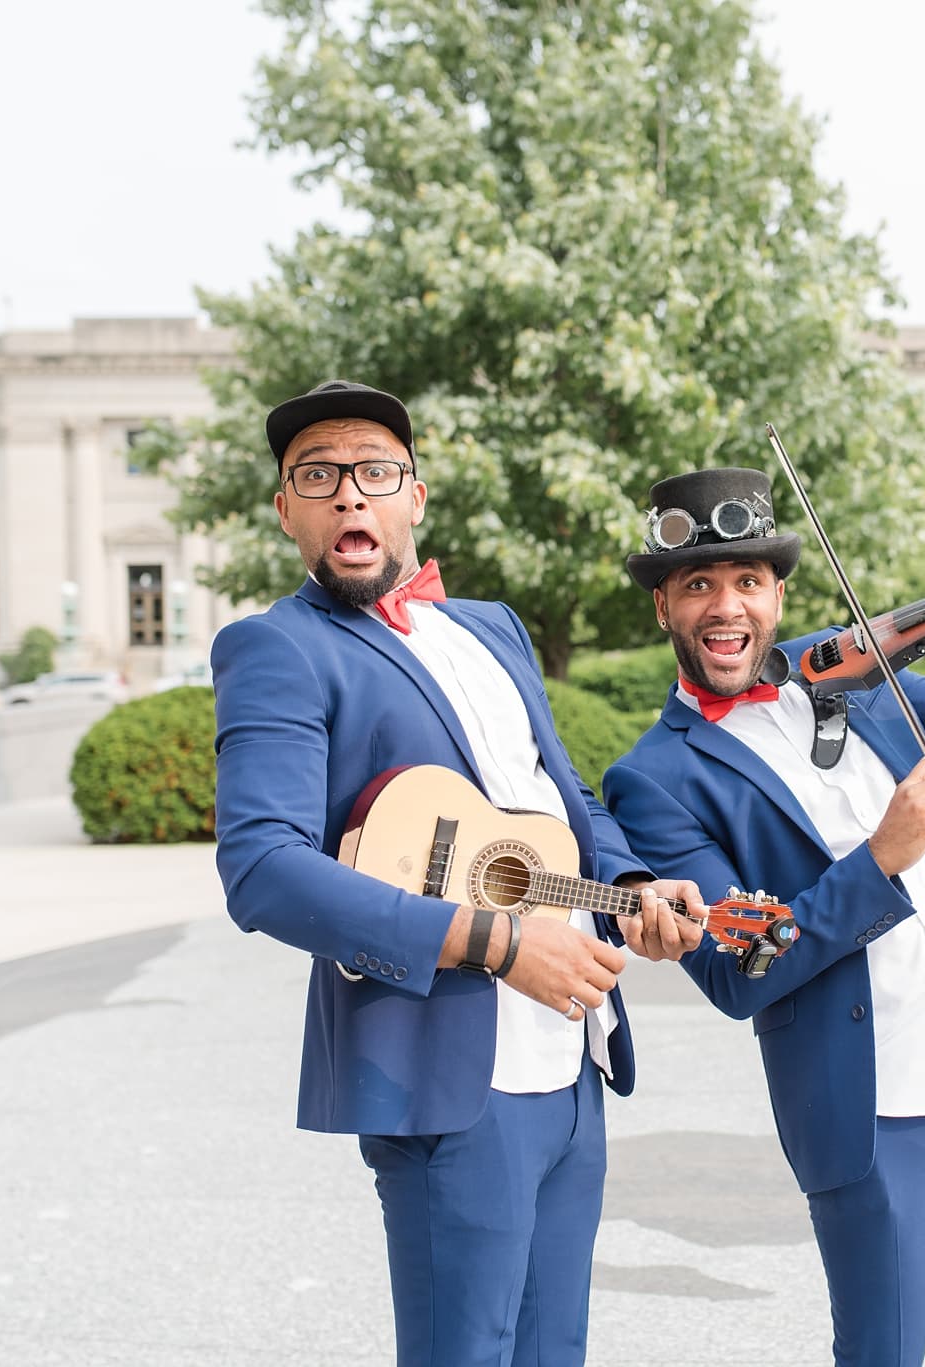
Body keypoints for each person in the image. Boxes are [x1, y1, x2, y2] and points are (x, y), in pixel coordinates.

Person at [210, 380, 706, 1365]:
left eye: (374, 471)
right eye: (317, 475)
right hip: (445, 1075)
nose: (349, 493)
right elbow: (260, 867)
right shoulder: (276, 647)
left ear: (415, 497)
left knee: (550, 1349)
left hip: (571, 1060)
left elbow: (560, 801)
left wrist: (637, 881)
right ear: (286, 512)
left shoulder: (492, 628)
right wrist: (498, 941)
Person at [602, 467, 925, 1367]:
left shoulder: (851, 672)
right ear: (664, 607)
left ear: (777, 591)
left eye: (748, 581)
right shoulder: (655, 779)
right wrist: (883, 854)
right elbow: (736, 967)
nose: (727, 606)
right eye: (699, 585)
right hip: (876, 1105)